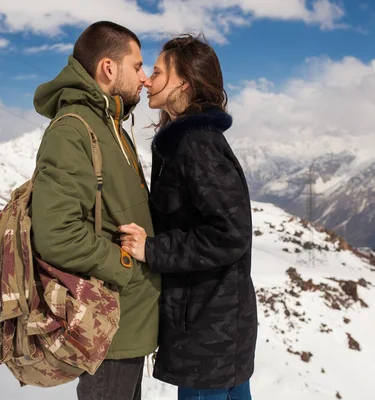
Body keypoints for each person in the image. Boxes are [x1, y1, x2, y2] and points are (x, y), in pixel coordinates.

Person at [120, 34, 257, 400]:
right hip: (217, 326)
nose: (148, 79)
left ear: (184, 82)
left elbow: (230, 232)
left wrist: (153, 250)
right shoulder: (187, 139)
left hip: (206, 331)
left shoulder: (195, 143)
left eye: (158, 71)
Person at [30, 21, 160, 400]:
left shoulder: (111, 124)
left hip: (129, 323)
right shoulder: (73, 129)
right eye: (137, 66)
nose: (146, 78)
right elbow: (57, 234)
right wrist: (125, 268)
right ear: (108, 68)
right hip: (108, 328)